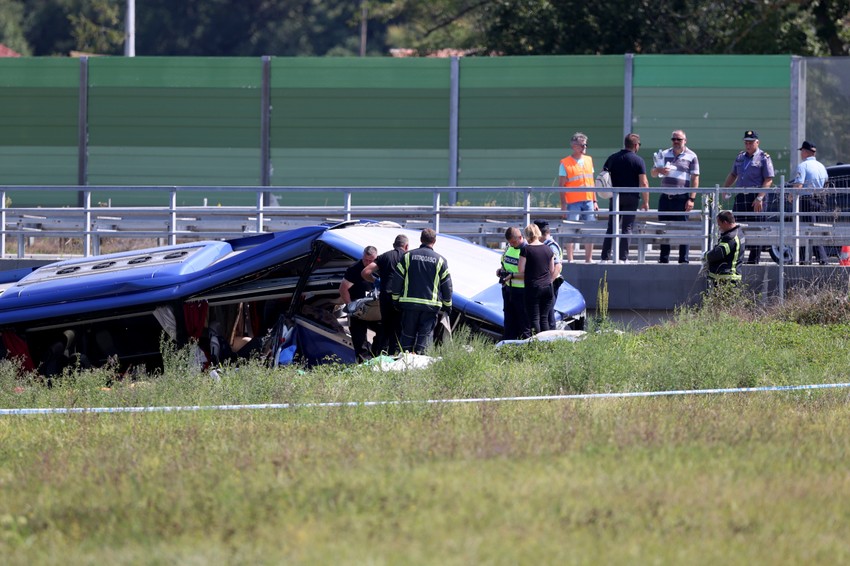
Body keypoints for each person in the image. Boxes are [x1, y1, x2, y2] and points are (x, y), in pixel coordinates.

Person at [392, 228, 453, 355]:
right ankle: (422, 366)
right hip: (430, 307)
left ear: (420, 240)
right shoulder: (440, 260)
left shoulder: (408, 256)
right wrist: (447, 305)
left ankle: (404, 366)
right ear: (434, 241)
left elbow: (397, 280)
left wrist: (395, 299)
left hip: (409, 305)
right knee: (424, 340)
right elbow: (447, 286)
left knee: (407, 339)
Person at [724, 130, 775, 264]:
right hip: (742, 195)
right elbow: (733, 174)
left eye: (751, 142)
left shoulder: (764, 157)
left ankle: (754, 260)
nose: (748, 145)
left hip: (756, 196)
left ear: (757, 142)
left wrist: (760, 198)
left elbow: (768, 179)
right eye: (746, 142)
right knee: (735, 226)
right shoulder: (740, 157)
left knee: (756, 227)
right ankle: (736, 257)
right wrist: (726, 188)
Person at [651, 129, 700, 264]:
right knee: (663, 228)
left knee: (683, 229)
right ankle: (663, 259)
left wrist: (691, 199)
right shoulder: (664, 154)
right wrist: (659, 170)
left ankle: (683, 260)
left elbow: (695, 178)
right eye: (674, 139)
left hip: (681, 198)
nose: (676, 142)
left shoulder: (691, 156)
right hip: (665, 198)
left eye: (679, 139)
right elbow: (653, 173)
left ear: (685, 141)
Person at [600, 133, 650, 263]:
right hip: (631, 197)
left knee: (612, 227)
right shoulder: (638, 160)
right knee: (627, 228)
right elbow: (644, 183)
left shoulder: (612, 158)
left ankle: (605, 258)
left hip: (615, 197)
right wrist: (646, 202)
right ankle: (623, 258)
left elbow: (603, 176)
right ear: (635, 145)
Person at [362, 233, 409, 354]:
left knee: (385, 325)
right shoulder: (409, 257)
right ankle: (394, 354)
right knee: (398, 327)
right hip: (402, 298)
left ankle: (380, 353)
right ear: (406, 246)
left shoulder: (385, 256)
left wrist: (376, 281)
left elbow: (366, 272)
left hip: (386, 296)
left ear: (394, 245)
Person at [558, 132, 599, 263]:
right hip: (573, 201)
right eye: (582, 145)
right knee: (570, 229)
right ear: (575, 146)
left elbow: (591, 182)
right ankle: (570, 259)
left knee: (589, 229)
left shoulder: (588, 160)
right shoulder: (565, 163)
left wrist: (595, 201)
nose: (585, 147)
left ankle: (589, 258)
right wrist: (563, 205)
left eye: (586, 145)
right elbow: (561, 186)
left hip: (588, 200)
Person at [790, 140, 829, 265]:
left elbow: (798, 185)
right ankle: (803, 259)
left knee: (804, 231)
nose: (801, 153)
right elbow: (826, 184)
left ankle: (820, 260)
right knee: (813, 230)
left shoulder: (803, 166)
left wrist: (791, 196)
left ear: (805, 152)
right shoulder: (821, 166)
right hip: (820, 201)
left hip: (807, 201)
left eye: (802, 151)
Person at [339, 245, 379, 362]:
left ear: (375, 259)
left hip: (375, 309)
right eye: (365, 260)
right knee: (359, 339)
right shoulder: (354, 269)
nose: (367, 263)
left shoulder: (380, 268)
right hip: (358, 309)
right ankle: (364, 362)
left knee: (383, 332)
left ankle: (376, 356)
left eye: (370, 261)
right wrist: (350, 306)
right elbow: (343, 289)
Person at [517, 223, 556, 334]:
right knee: (544, 319)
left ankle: (536, 346)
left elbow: (520, 270)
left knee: (534, 319)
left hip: (533, 287)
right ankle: (546, 345)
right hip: (548, 287)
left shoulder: (526, 250)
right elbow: (552, 270)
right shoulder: (548, 249)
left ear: (527, 235)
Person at [496, 226, 529, 340]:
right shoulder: (508, 248)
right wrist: (501, 271)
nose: (512, 244)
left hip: (522, 291)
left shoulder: (527, 250)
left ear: (521, 237)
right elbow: (504, 263)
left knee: (523, 323)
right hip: (508, 289)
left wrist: (513, 275)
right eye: (510, 242)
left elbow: (530, 274)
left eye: (514, 242)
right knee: (509, 322)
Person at [533, 219, 563, 330]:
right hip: (546, 284)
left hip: (550, 284)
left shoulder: (551, 246)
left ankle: (549, 340)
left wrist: (548, 282)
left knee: (548, 315)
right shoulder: (544, 245)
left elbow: (558, 266)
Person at [703, 210, 744, 287]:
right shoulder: (739, 232)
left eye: (719, 224)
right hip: (731, 276)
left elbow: (717, 254)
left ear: (725, 223)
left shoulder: (730, 238)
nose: (719, 228)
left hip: (726, 278)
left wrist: (705, 255)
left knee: (723, 299)